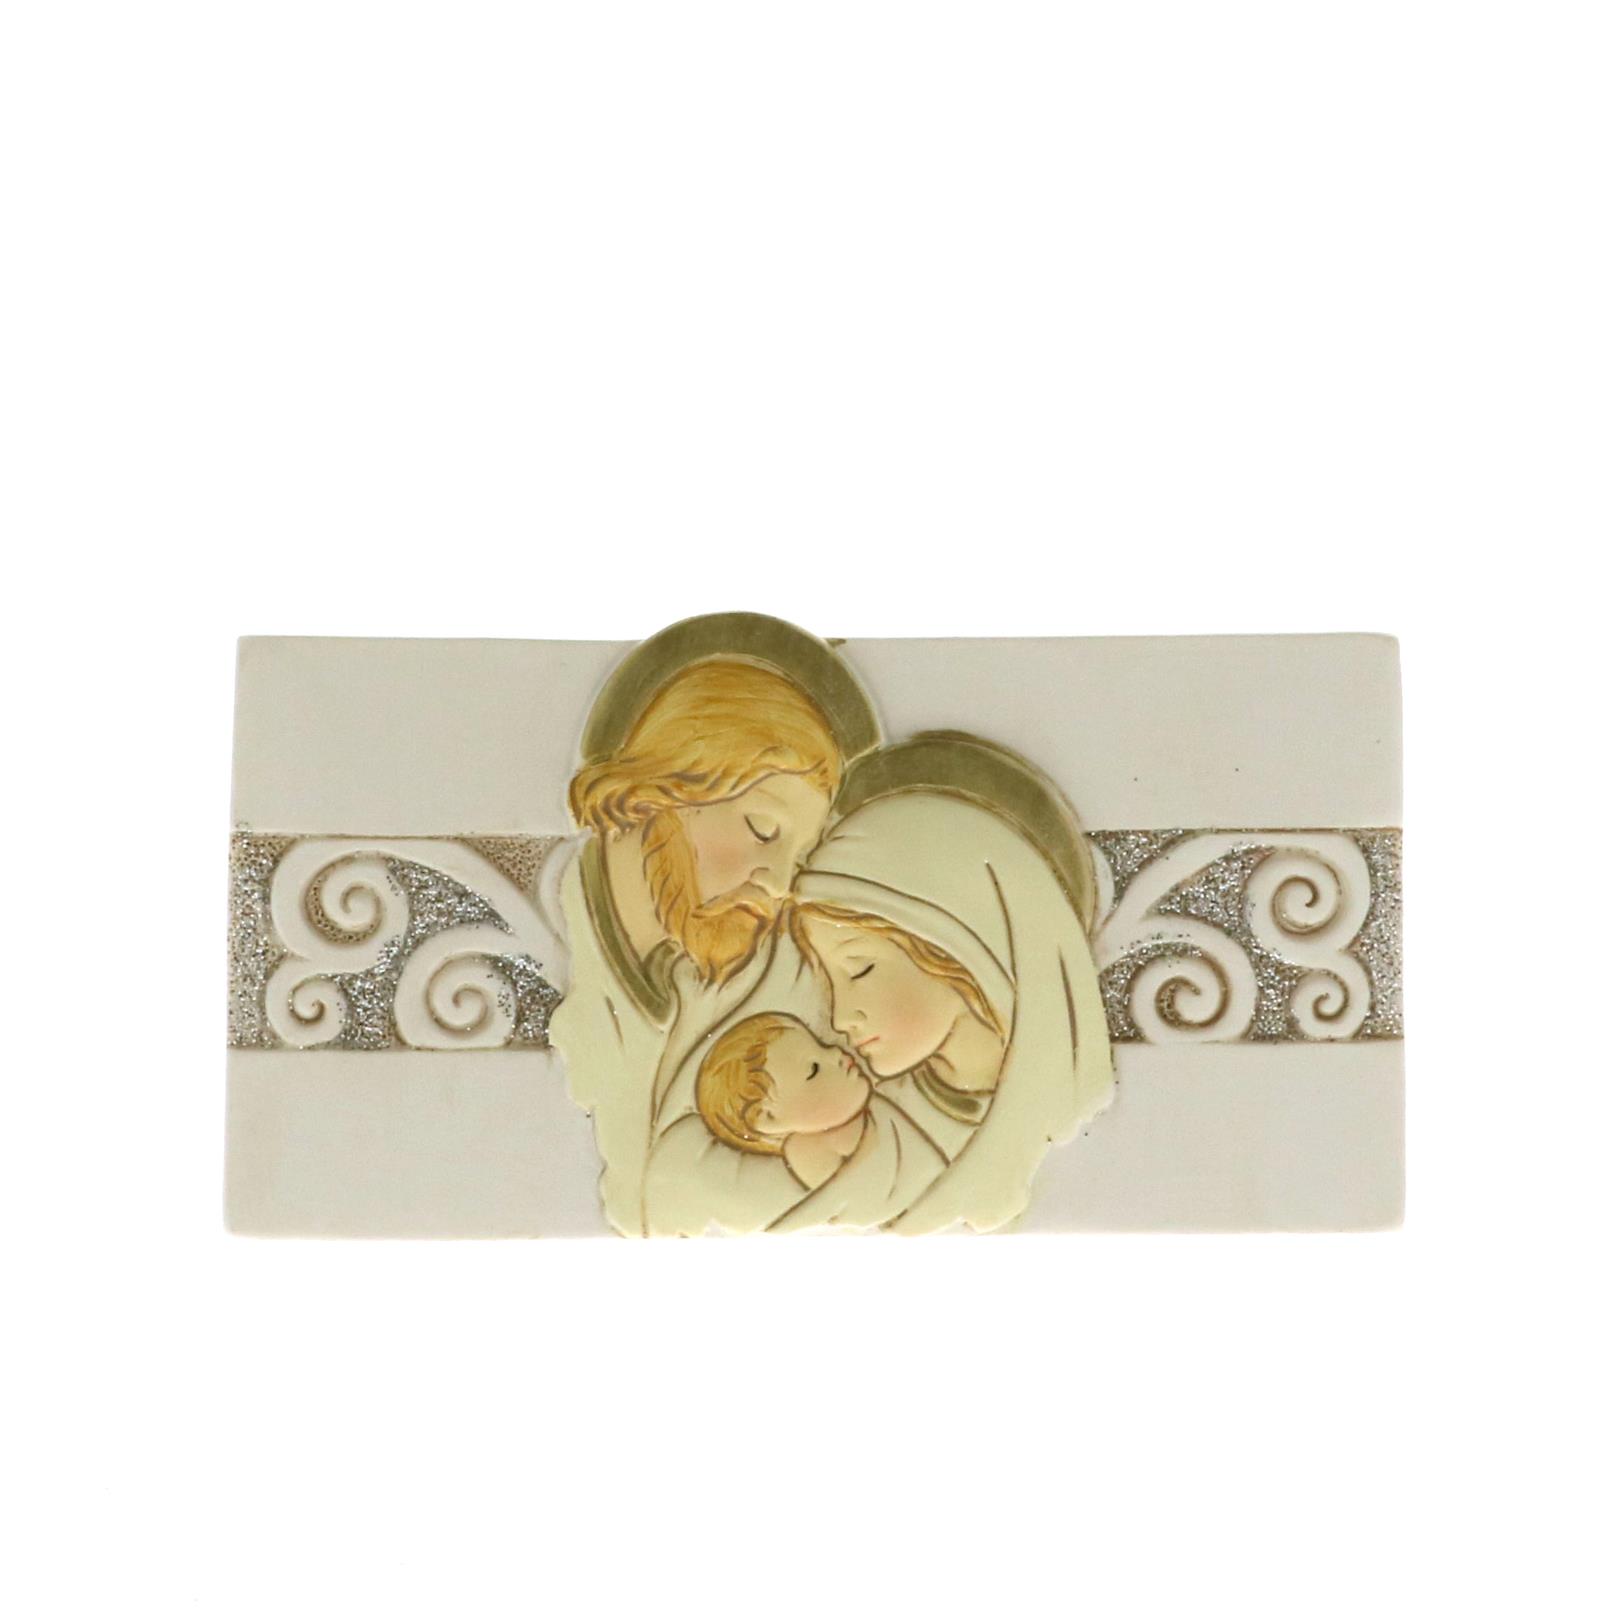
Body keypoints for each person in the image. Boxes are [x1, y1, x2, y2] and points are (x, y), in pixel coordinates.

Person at [546, 614, 879, 1235]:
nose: (778, 886)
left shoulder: (788, 974)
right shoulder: (549, 926)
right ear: (663, 787)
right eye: (763, 829)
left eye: (800, 859)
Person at [693, 1012, 947, 1229]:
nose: (836, 1052)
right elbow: (858, 1203)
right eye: (814, 1069)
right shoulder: (806, 1149)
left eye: (822, 1046)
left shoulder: (878, 1105)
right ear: (769, 1120)